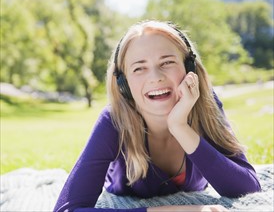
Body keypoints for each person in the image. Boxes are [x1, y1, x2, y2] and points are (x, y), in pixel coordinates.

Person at [54, 20, 261, 212]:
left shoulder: (205, 106)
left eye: (167, 62)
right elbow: (68, 209)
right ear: (123, 84)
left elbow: (249, 188)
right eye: (139, 68)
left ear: (190, 69)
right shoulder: (113, 121)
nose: (155, 77)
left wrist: (180, 126)